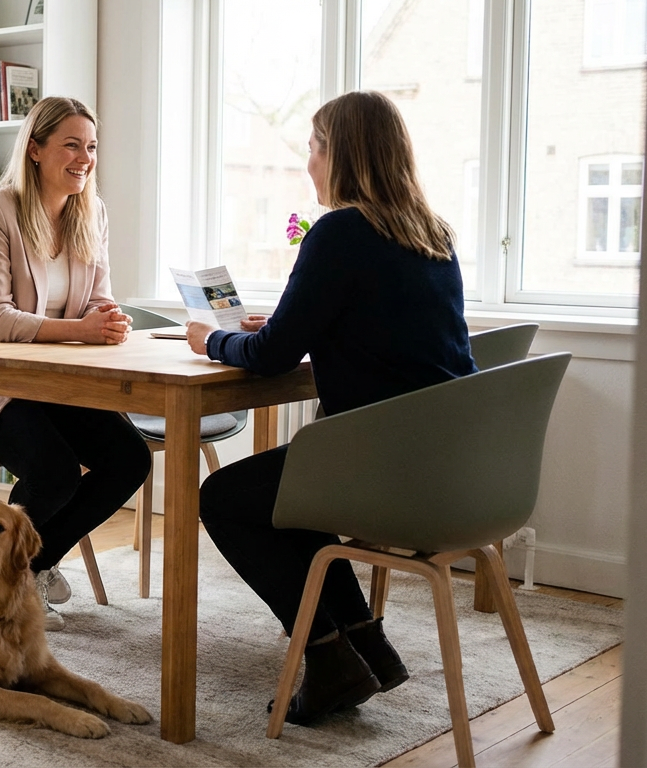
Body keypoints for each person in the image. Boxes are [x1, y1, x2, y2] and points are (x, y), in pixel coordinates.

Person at [186, 90, 478, 723]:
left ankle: (328, 658)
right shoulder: (432, 234)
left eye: (314, 148)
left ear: (342, 154)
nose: (309, 165)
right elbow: (374, 327)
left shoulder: (341, 232)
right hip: (452, 469)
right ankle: (367, 646)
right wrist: (294, 322)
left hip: (382, 470)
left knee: (223, 500)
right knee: (294, 493)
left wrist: (209, 338)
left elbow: (268, 357)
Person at [0, 96, 151, 631]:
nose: (84, 157)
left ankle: (28, 570)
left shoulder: (92, 213)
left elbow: (95, 298)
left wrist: (105, 317)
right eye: (71, 145)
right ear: (35, 150)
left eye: (92, 147)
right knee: (54, 470)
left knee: (129, 458)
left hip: (55, 383)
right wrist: (81, 330)